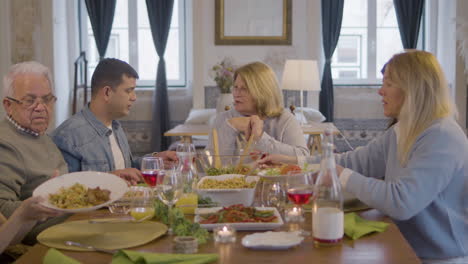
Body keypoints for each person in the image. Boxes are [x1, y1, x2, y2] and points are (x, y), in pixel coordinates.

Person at [258, 50, 468, 262]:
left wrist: (340, 175)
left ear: (412, 89)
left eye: (388, 83)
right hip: (406, 247)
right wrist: (294, 160)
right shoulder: (403, 129)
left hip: (440, 257)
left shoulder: (442, 137)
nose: (380, 91)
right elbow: (355, 162)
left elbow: (401, 202)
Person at [51, 58, 177, 183]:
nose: (134, 97)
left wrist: (155, 160)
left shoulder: (115, 126)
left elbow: (126, 169)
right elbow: (66, 191)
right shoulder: (67, 137)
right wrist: (110, 179)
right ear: (107, 92)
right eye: (129, 91)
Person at [0, 61, 69, 243]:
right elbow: (3, 211)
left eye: (46, 99)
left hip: (67, 224)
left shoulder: (38, 133)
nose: (41, 108)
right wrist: (49, 203)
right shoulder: (5, 144)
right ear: (8, 105)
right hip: (39, 241)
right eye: (30, 101)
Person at [206, 61, 309, 156]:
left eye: (244, 89)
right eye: (236, 87)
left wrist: (260, 137)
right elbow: (211, 166)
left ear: (262, 92)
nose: (236, 93)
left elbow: (303, 158)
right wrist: (230, 127)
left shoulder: (285, 119)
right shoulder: (222, 119)